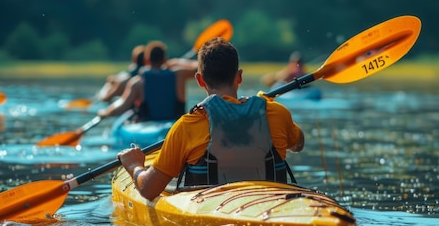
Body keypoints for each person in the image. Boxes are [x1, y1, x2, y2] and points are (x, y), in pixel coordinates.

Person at [116, 37, 305, 201]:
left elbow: (149, 189)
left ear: (199, 80)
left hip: (213, 210)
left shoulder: (187, 125)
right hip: (271, 204)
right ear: (239, 77)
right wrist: (264, 104)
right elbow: (298, 144)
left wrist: (134, 165)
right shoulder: (277, 113)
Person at [97, 40, 197, 121]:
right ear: (164, 59)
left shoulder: (138, 82)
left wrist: (105, 113)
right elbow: (200, 67)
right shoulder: (179, 75)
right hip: (174, 124)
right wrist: (178, 61)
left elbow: (122, 105)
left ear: (147, 60)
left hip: (148, 124)